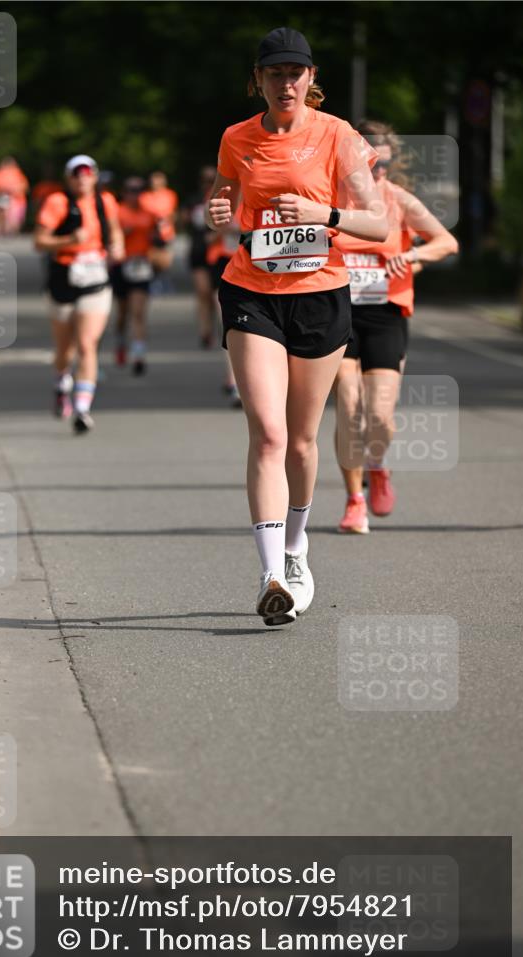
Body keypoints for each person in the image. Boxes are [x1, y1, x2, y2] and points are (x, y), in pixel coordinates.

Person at [207, 26, 388, 626]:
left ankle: (294, 546)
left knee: (303, 441)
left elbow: (378, 224)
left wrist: (323, 213)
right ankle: (270, 576)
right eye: (275, 73)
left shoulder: (337, 135)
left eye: (295, 73)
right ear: (257, 80)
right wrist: (215, 211)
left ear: (311, 79)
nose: (286, 83)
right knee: (268, 434)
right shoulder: (237, 137)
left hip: (319, 296)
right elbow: (224, 203)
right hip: (251, 291)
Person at [332, 121, 459, 533]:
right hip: (337, 312)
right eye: (371, 165)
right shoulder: (331, 198)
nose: (378, 173)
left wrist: (414, 257)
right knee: (349, 406)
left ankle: (377, 462)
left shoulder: (398, 199)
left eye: (384, 165)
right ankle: (354, 500)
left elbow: (447, 242)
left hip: (385, 314)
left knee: (380, 418)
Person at [34, 155, 124, 433]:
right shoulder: (57, 202)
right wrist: (69, 240)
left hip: (95, 279)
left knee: (87, 344)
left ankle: (82, 409)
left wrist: (117, 246)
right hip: (63, 278)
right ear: (68, 178)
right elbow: (39, 241)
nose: (82, 179)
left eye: (87, 174)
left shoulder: (105, 201)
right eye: (76, 174)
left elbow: (115, 231)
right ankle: (62, 381)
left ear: (95, 177)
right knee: (65, 350)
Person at [111, 177, 158, 374]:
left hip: (141, 266)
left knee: (138, 312)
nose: (135, 194)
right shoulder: (117, 212)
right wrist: (123, 233)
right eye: (131, 190)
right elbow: (108, 236)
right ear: (124, 193)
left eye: (139, 190)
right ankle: (121, 342)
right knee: (123, 313)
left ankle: (138, 354)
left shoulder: (149, 214)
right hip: (121, 265)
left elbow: (159, 238)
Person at [205, 210, 243, 407]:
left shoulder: (263, 198)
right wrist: (224, 231)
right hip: (222, 262)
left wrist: (243, 230)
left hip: (252, 263)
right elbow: (207, 239)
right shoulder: (221, 200)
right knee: (228, 323)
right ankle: (234, 381)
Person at [182, 165, 218, 348]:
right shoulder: (194, 200)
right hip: (198, 250)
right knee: (203, 292)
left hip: (218, 252)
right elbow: (183, 221)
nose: (208, 184)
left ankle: (218, 327)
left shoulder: (224, 198)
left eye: (212, 180)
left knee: (215, 296)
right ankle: (205, 331)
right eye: (205, 181)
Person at [0, 156, 29, 235]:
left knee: (14, 216)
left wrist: (15, 190)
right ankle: (3, 230)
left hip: (16, 198)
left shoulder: (17, 173)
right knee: (2, 214)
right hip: (3, 196)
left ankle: (11, 231)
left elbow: (24, 186)